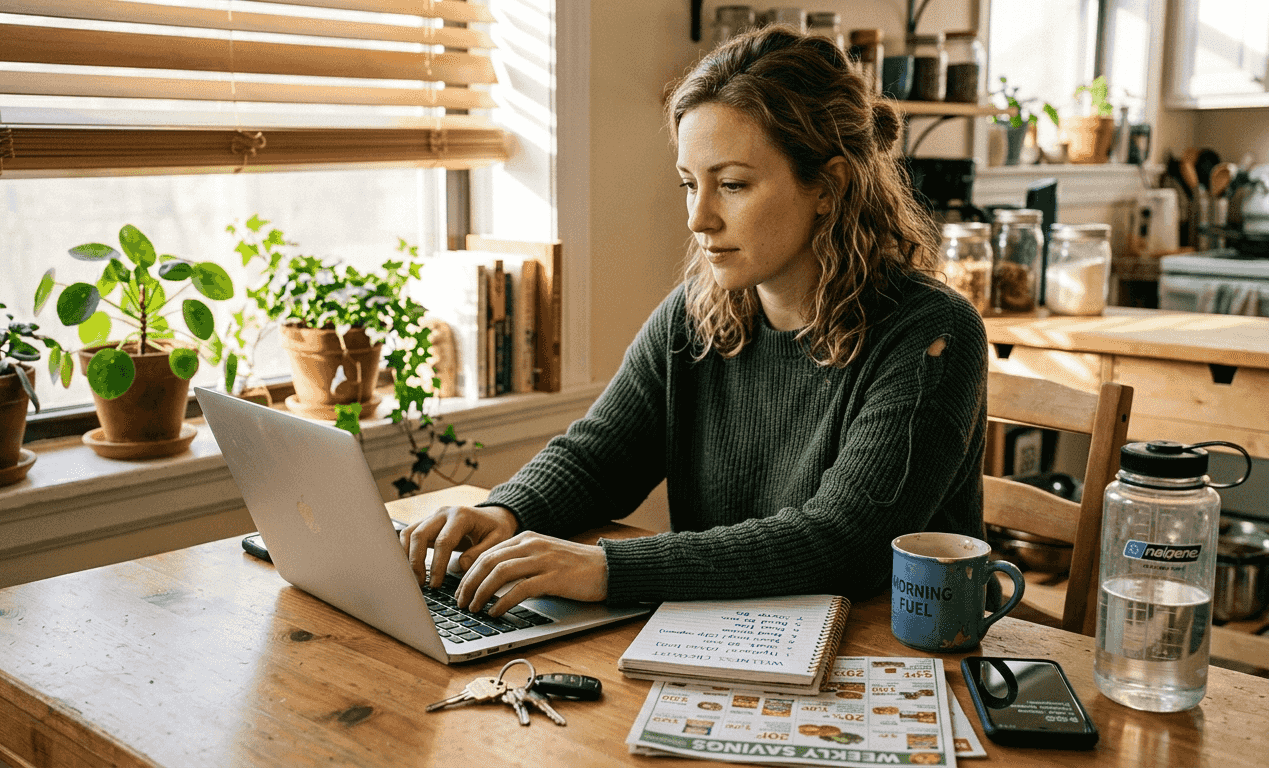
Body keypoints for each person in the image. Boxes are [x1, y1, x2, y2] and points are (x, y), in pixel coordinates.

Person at [401, 26, 988, 617]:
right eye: (689, 184)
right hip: (730, 640)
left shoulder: (931, 335)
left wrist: (608, 568)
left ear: (828, 188)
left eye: (732, 185)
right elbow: (600, 456)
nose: (699, 218)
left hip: (887, 665)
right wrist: (507, 512)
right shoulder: (694, 315)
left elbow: (844, 542)